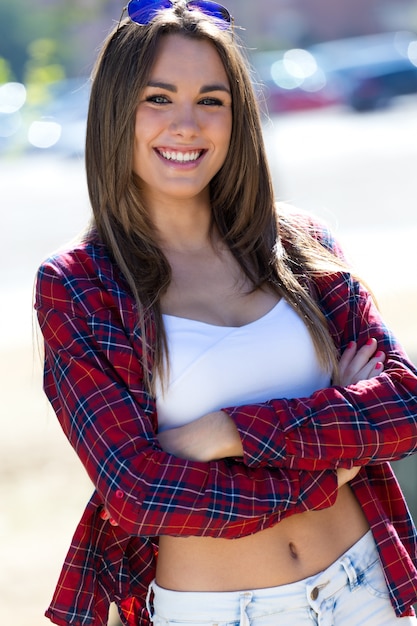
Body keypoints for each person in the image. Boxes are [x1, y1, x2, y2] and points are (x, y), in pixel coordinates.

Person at [34, 1, 417, 625]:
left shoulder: (299, 242)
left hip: (363, 587)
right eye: (159, 98)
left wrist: (224, 433)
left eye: (212, 101)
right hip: (219, 610)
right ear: (115, 113)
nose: (187, 124)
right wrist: (333, 458)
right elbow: (139, 490)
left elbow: (402, 405)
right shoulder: (78, 286)